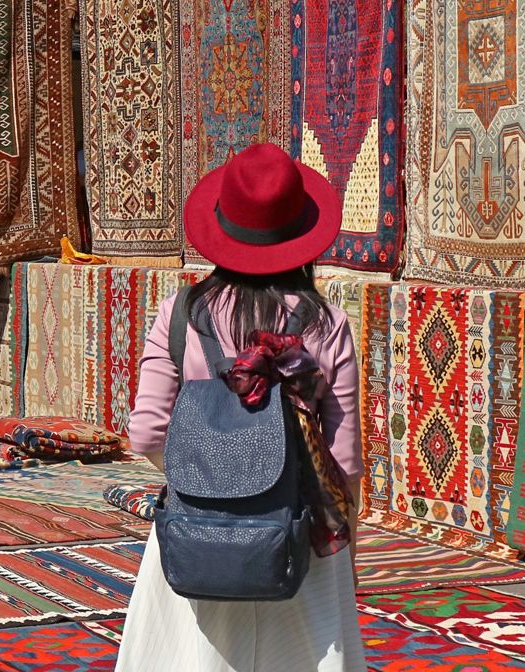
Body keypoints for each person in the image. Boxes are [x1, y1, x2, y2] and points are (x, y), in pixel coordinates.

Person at [115, 143, 367, 671]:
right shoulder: (328, 325)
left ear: (222, 230)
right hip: (298, 540)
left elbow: (145, 434)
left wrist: (209, 474)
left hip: (197, 537)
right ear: (301, 237)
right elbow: (342, 468)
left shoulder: (179, 315)